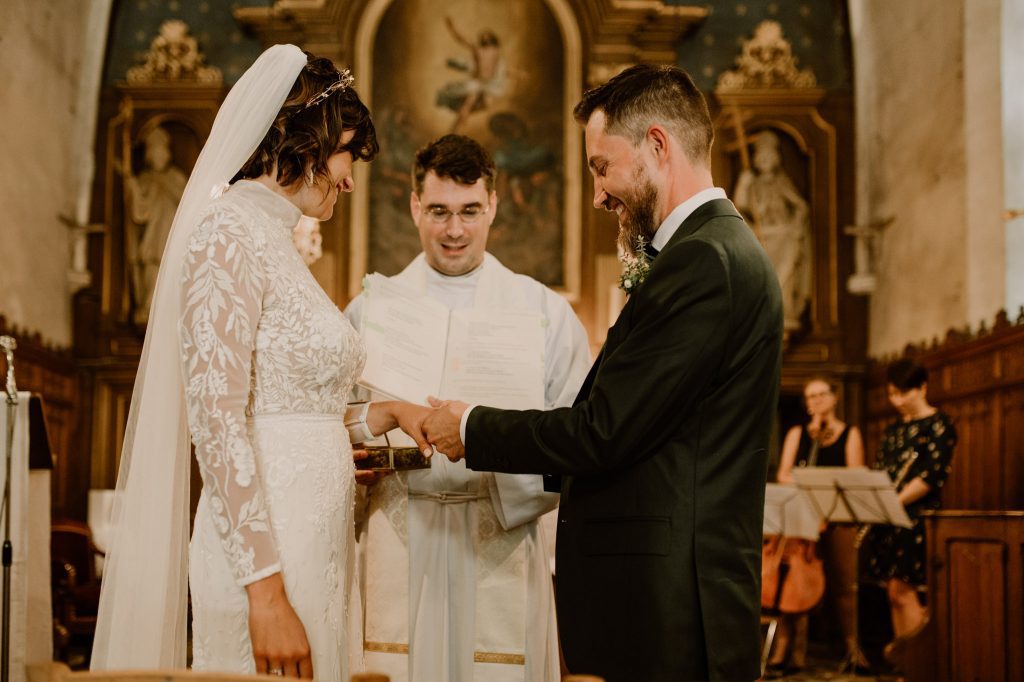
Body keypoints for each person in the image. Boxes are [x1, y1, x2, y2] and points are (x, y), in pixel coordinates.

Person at [419, 65, 784, 681]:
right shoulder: (706, 253)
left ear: (658, 146)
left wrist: (472, 426)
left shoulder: (704, 263)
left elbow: (603, 431)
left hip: (669, 611)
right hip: (661, 600)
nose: (597, 195)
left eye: (600, 167)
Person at [92, 45, 429, 678]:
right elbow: (217, 424)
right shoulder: (226, 234)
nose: (351, 179)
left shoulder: (275, 240)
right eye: (346, 155)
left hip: (315, 546)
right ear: (303, 142)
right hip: (265, 559)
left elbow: (291, 407)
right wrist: (266, 592)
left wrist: (382, 414)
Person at [345, 134, 591, 682]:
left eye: (469, 211)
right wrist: (355, 465)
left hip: (499, 535)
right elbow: (336, 426)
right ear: (414, 207)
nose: (454, 230)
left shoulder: (543, 313)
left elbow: (574, 437)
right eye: (438, 211)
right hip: (398, 533)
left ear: (493, 206)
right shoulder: (371, 311)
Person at [769, 378, 866, 676]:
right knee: (791, 581)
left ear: (834, 398)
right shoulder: (798, 434)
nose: (816, 401)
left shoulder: (850, 434)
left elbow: (855, 476)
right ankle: (786, 647)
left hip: (835, 518)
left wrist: (821, 484)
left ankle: (853, 648)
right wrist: (806, 480)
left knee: (844, 584)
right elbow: (784, 475)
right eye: (810, 397)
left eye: (821, 395)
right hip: (802, 518)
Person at [863, 358, 956, 664]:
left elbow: (931, 476)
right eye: (892, 394)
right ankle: (903, 664)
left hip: (916, 519)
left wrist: (894, 502)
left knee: (906, 591)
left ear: (922, 388)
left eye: (904, 393)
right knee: (892, 593)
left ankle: (918, 665)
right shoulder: (892, 431)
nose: (898, 401)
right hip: (889, 519)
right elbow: (882, 473)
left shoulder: (940, 425)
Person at [733, 130, 812, 337]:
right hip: (762, 237)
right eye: (762, 157)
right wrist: (744, 182)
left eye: (769, 157)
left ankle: (784, 312)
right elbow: (738, 206)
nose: (765, 161)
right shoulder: (753, 184)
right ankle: (763, 312)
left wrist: (795, 227)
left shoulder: (781, 182)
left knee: (783, 277)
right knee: (762, 276)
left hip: (783, 236)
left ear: (776, 159)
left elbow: (801, 206)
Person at [122, 125, 188, 325]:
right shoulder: (145, 179)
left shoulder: (177, 178)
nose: (159, 157)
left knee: (171, 273)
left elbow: (189, 206)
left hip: (173, 238)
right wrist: (132, 186)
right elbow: (139, 212)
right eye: (155, 153)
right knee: (152, 271)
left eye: (162, 152)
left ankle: (169, 310)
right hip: (152, 239)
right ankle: (148, 309)